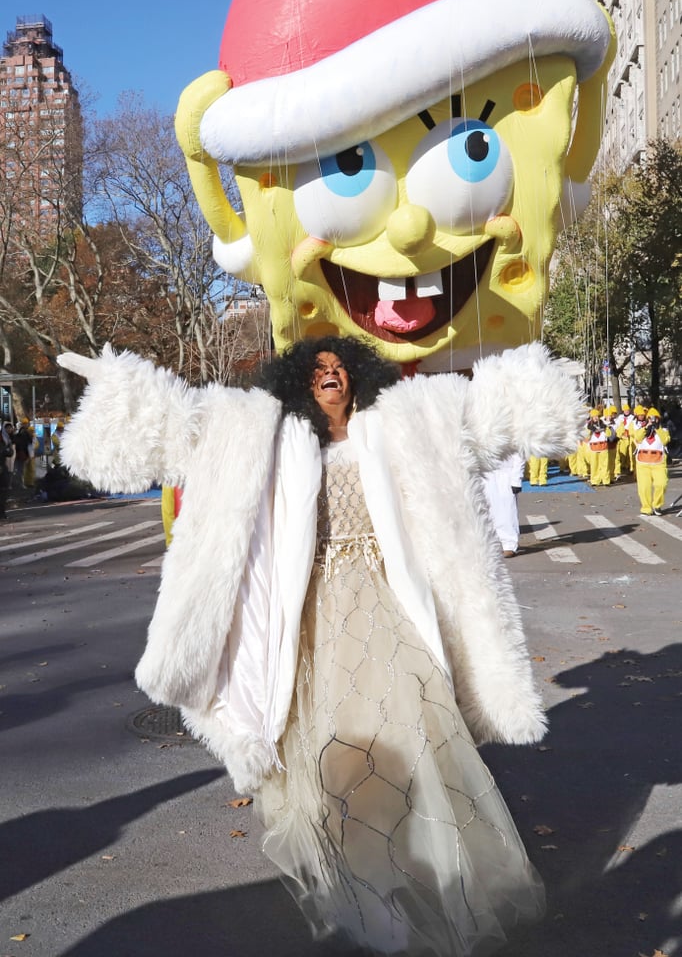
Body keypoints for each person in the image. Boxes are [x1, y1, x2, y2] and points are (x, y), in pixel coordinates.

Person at [57, 337, 585, 957]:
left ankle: (423, 878)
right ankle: (375, 891)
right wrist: (122, 382)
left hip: (390, 613)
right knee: (339, 763)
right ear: (299, 385)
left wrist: (532, 383)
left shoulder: (398, 426)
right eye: (318, 370)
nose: (330, 375)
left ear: (358, 377)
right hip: (309, 621)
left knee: (411, 746)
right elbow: (187, 427)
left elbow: (475, 417)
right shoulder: (273, 440)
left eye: (339, 367)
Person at [483, 452, 525, 557]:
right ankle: (490, 543)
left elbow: (520, 453)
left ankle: (509, 545)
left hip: (506, 472)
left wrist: (516, 478)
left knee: (507, 510)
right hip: (485, 471)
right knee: (485, 509)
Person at [633, 407, 670, 516]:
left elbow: (665, 440)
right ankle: (646, 508)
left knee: (661, 484)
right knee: (644, 487)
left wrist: (657, 428)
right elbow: (637, 438)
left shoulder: (663, 430)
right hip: (643, 462)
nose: (653, 420)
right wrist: (646, 428)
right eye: (650, 418)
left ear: (659, 419)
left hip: (658, 462)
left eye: (655, 418)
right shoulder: (642, 429)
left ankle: (657, 505)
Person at [0, 423, 12, 520]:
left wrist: (6, 450)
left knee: (4, 490)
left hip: (2, 467)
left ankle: (2, 512)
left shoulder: (5, 438)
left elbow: (10, 452)